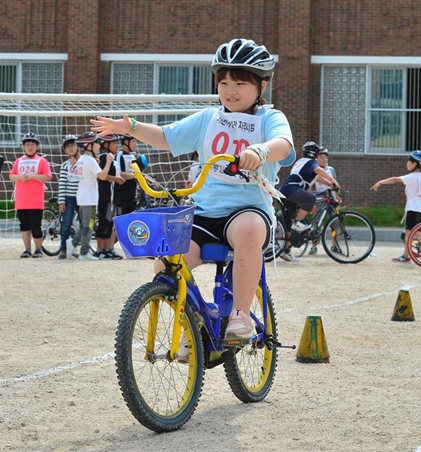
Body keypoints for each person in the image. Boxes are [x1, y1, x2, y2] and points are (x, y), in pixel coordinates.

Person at [90, 38, 296, 345]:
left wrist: (261, 150)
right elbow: (167, 137)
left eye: (240, 83)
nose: (230, 90)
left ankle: (240, 314)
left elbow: (284, 145)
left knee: (250, 230)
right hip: (203, 213)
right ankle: (196, 322)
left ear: (262, 87)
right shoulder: (207, 119)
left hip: (247, 210)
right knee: (166, 262)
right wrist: (130, 127)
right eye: (224, 82)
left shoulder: (269, 118)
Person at [278, 141, 340, 262]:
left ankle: (286, 251)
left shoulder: (301, 162)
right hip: (291, 190)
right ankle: (298, 221)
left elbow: (318, 178)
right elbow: (319, 171)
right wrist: (334, 181)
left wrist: (330, 185)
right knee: (310, 198)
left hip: (286, 191)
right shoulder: (311, 162)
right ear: (316, 154)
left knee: (290, 226)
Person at [370, 150, 421, 263]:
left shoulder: (413, 176)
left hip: (413, 207)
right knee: (409, 232)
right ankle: (406, 255)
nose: (407, 163)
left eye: (409, 161)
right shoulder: (418, 176)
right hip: (416, 206)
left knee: (413, 232)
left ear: (415, 164)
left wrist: (380, 182)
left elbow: (395, 179)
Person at [72, 131, 115, 260]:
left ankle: (72, 243)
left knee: (85, 224)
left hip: (83, 195)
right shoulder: (89, 160)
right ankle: (84, 253)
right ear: (88, 145)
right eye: (96, 143)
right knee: (88, 225)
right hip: (89, 197)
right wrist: (108, 161)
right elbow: (102, 176)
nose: (98, 145)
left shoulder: (82, 159)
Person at [9, 132, 52, 258]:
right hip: (21, 200)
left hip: (35, 200)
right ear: (23, 146)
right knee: (24, 226)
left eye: (32, 144)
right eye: (27, 144)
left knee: (36, 225)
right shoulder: (18, 161)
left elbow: (47, 177)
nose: (30, 146)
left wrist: (33, 176)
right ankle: (27, 249)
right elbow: (12, 176)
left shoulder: (42, 161)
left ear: (37, 146)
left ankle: (38, 249)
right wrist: (20, 177)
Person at [94, 134, 125, 260]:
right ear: (106, 144)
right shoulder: (103, 157)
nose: (116, 145)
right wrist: (116, 179)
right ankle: (100, 249)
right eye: (113, 143)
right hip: (105, 196)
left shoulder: (115, 159)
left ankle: (108, 249)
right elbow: (101, 176)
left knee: (111, 223)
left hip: (114, 197)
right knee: (104, 222)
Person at [57, 135, 80, 259]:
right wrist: (61, 201)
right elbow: (62, 184)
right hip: (68, 198)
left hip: (82, 198)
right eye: (68, 146)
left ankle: (78, 247)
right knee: (66, 224)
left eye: (73, 145)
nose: (71, 148)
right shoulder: (65, 166)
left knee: (84, 224)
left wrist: (76, 163)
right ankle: (63, 249)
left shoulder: (84, 162)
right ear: (65, 150)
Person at [115, 134, 139, 216]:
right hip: (122, 196)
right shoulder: (120, 155)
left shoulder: (132, 156)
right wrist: (135, 176)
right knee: (121, 219)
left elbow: (139, 172)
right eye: (134, 141)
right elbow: (119, 173)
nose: (136, 144)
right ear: (126, 142)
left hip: (132, 195)